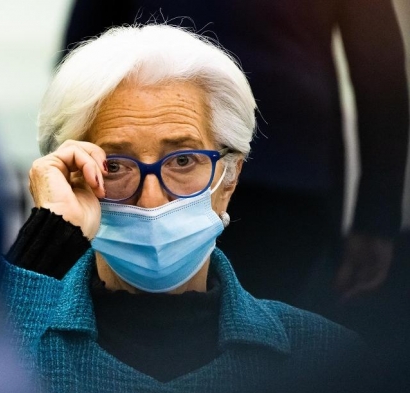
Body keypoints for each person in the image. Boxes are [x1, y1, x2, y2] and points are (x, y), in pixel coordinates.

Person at [3, 24, 365, 393]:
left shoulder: (327, 360)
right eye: (115, 166)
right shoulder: (13, 339)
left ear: (228, 179)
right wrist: (51, 230)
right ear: (74, 175)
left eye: (184, 160)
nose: (152, 200)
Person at [63, 0, 409, 313]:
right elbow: (381, 73)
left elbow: (381, 74)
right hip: (281, 171)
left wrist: (376, 219)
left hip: (280, 178)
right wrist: (375, 220)